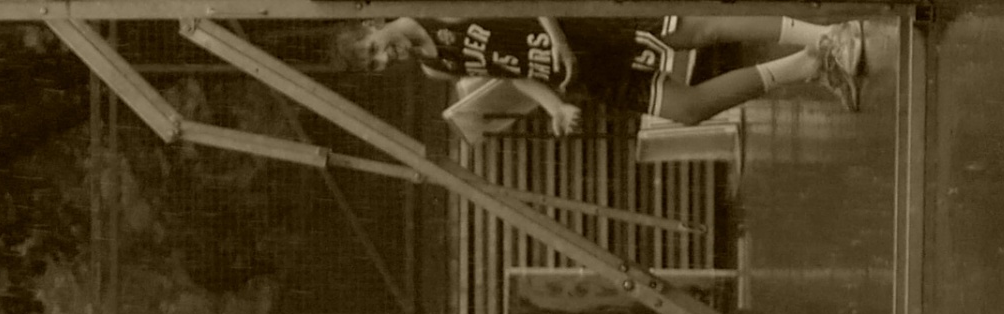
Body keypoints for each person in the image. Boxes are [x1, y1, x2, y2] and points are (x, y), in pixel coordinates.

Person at [331, 16, 869, 132]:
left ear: (373, 23)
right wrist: (554, 105)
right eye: (376, 65)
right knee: (688, 109)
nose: (384, 59)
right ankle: (809, 65)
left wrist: (558, 37)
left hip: (577, 32)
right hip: (574, 74)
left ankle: (825, 35)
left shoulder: (435, 11)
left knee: (693, 31)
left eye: (374, 49)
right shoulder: (433, 67)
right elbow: (505, 70)